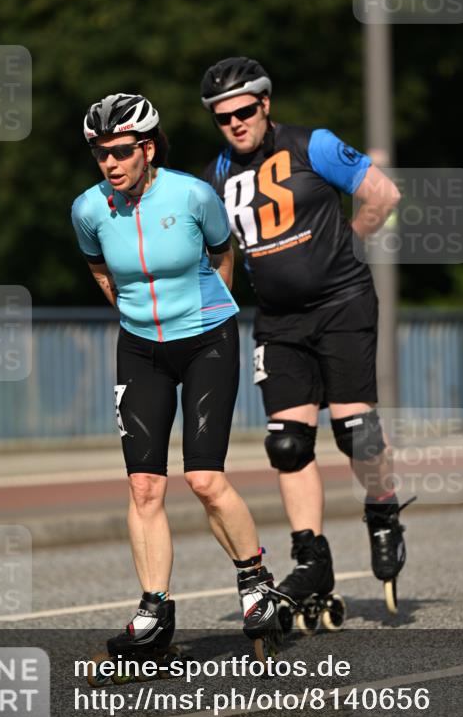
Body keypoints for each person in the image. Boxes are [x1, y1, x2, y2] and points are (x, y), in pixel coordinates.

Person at [71, 92, 284, 660]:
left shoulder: (192, 194)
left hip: (207, 338)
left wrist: (204, 310)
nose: (109, 164)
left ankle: (256, 582)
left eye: (119, 152)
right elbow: (98, 266)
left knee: (204, 479)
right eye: (99, 154)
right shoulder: (88, 209)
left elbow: (222, 253)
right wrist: (134, 312)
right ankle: (153, 610)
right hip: (140, 348)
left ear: (146, 148)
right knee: (144, 486)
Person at [200, 57, 413, 615]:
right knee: (288, 443)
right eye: (224, 118)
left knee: (356, 432)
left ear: (265, 104)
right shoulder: (217, 175)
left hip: (342, 303)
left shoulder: (311, 145)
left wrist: (348, 238)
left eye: (245, 111)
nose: (236, 124)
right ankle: (311, 559)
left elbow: (383, 195)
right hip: (278, 319)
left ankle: (383, 511)